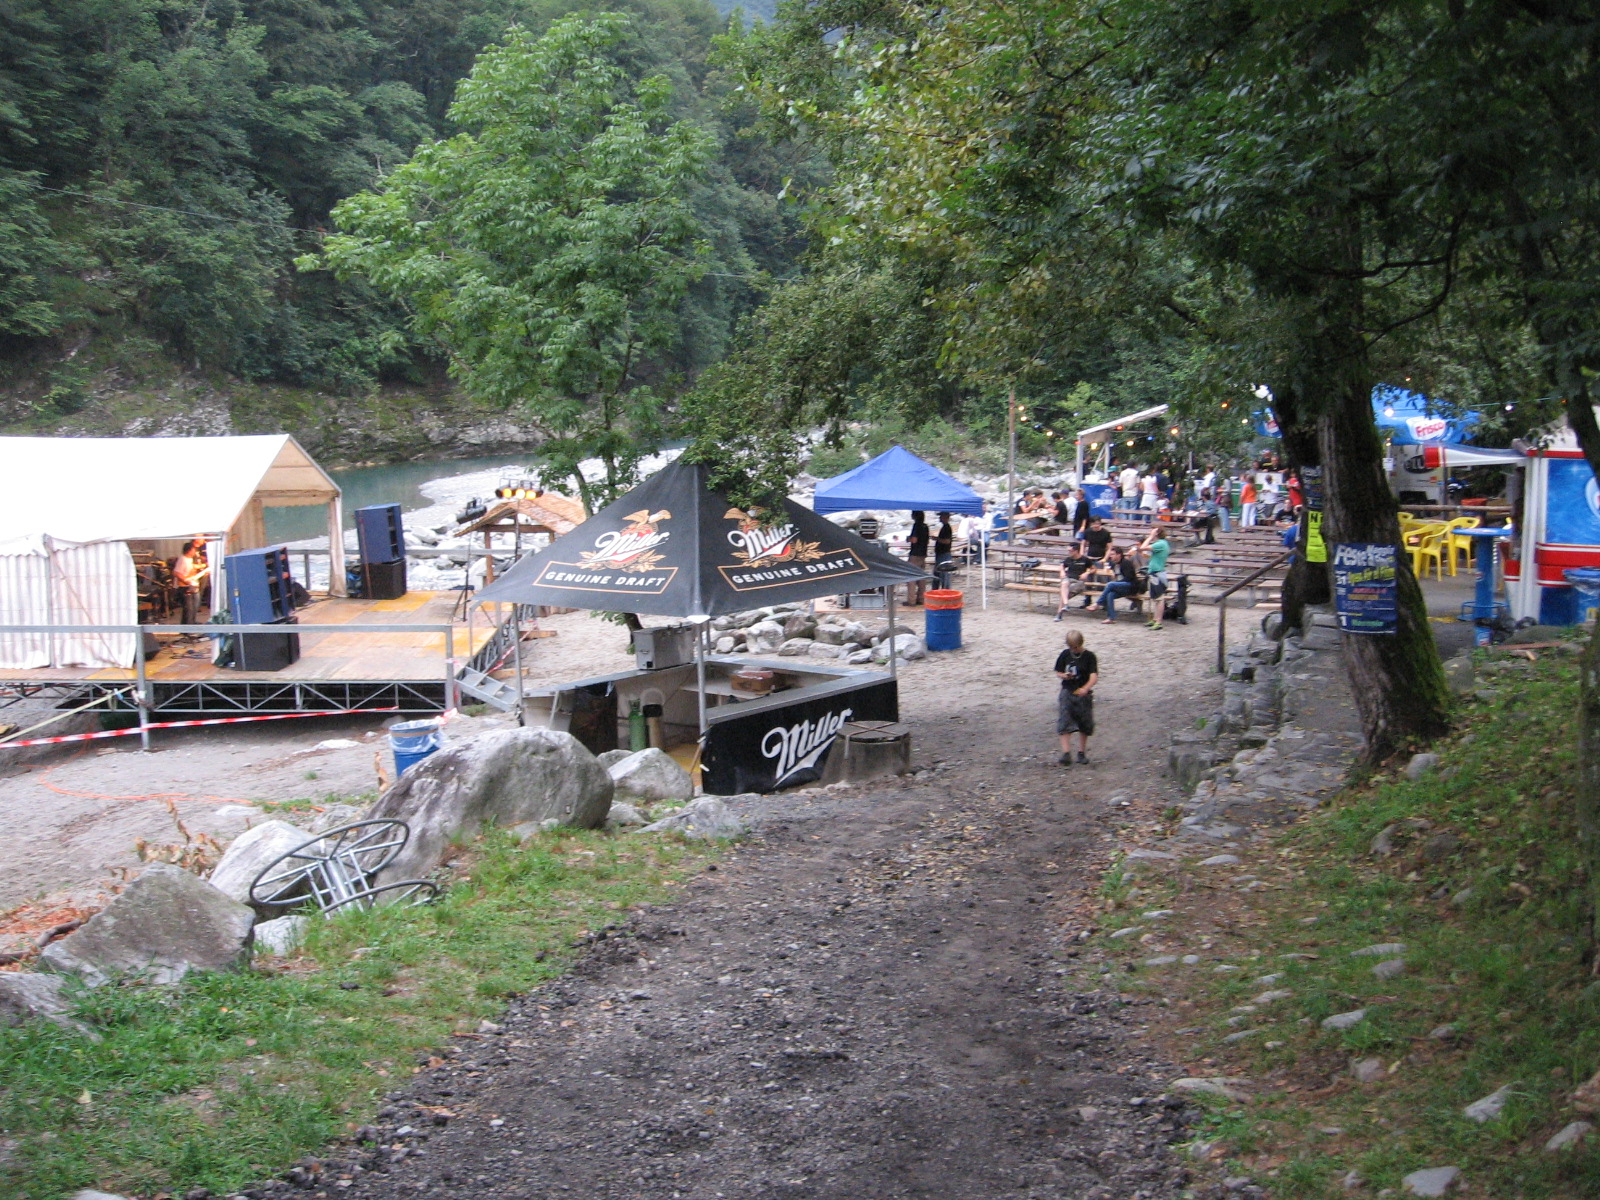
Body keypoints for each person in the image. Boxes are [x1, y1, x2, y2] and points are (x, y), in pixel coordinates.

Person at [1054, 628, 1098, 766]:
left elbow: (1094, 676)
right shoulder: (1065, 654)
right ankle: (1066, 752)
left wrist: (1086, 688)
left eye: (1075, 647)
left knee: (1084, 722)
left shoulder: (1089, 656)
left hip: (1082, 693)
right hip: (1067, 690)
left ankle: (1081, 752)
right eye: (1071, 647)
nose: (1073, 650)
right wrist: (1064, 676)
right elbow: (1058, 670)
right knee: (1064, 720)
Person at [1097, 544, 1144, 622]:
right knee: (1110, 594)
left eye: (1112, 554)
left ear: (1119, 555)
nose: (1110, 556)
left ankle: (1098, 603)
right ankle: (1111, 618)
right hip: (1121, 586)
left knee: (1110, 584)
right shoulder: (1113, 564)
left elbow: (1129, 578)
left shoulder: (1126, 563)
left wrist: (1116, 583)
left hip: (1131, 586)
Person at [171, 538, 209, 634]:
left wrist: (204, 567)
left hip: (193, 585)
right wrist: (186, 581)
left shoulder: (189, 559)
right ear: (189, 550)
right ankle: (187, 629)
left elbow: (193, 567)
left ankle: (191, 624)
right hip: (185, 587)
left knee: (195, 606)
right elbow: (176, 572)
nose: (195, 551)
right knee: (189, 608)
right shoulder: (182, 559)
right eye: (193, 550)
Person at [1140, 526, 1172, 630]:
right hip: (1154, 572)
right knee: (1156, 598)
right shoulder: (1161, 544)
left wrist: (1150, 537)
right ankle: (1155, 619)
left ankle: (1158, 621)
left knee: (1159, 599)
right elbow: (1147, 554)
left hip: (1157, 573)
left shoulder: (1161, 543)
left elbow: (1143, 547)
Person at [1055, 541, 1093, 620]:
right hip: (1068, 580)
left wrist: (1087, 572)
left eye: (1070, 551)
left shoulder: (1085, 559)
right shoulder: (1068, 559)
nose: (1069, 553)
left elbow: (1094, 569)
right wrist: (1062, 571)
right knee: (1064, 583)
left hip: (1079, 581)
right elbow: (1062, 565)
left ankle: (1060, 612)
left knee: (1064, 592)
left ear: (1076, 551)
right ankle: (1065, 605)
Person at [905, 511, 930, 605]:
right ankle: (921, 598)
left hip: (915, 554)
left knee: (911, 577)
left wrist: (908, 539)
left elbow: (914, 540)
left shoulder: (916, 526)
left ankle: (911, 600)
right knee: (921, 578)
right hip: (923, 554)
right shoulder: (925, 527)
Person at [933, 512, 955, 586]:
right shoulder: (945, 527)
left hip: (944, 554)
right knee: (939, 573)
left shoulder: (947, 528)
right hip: (941, 553)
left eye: (941, 516)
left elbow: (947, 541)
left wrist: (937, 539)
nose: (940, 518)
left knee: (944, 574)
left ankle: (945, 590)